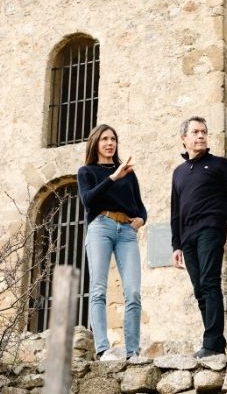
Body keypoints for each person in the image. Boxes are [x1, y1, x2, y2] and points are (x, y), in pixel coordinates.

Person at [171, 116, 227, 358]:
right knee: (200, 289)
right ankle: (216, 344)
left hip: (211, 229)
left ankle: (211, 343)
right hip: (187, 237)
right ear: (184, 138)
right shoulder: (178, 173)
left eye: (204, 131)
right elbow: (175, 212)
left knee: (210, 282)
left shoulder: (219, 165)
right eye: (195, 132)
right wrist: (176, 245)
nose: (201, 136)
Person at [78, 123, 147, 360]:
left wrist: (142, 219)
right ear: (95, 143)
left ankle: (132, 352)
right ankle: (103, 349)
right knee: (98, 290)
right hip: (101, 227)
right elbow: (88, 200)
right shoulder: (86, 172)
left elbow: (140, 206)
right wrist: (113, 177)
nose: (110, 143)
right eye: (105, 139)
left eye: (113, 139)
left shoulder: (129, 174)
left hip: (127, 231)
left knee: (133, 292)